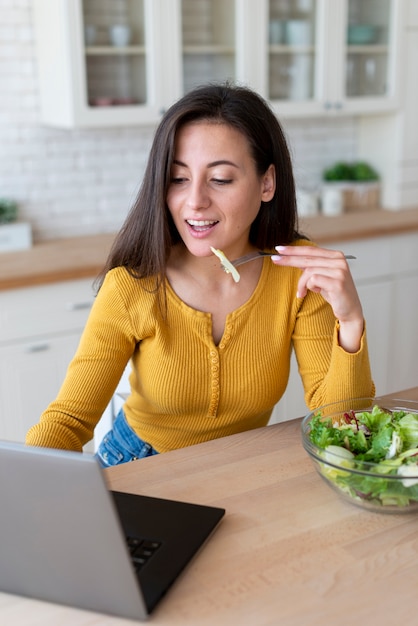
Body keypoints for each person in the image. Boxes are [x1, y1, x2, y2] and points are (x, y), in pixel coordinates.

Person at [26, 82, 374, 466]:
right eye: (178, 179)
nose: (194, 201)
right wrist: (27, 481)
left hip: (239, 466)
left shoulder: (297, 272)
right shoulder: (133, 285)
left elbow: (340, 428)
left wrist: (350, 322)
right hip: (138, 462)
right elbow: (69, 420)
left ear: (267, 183)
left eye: (220, 179)